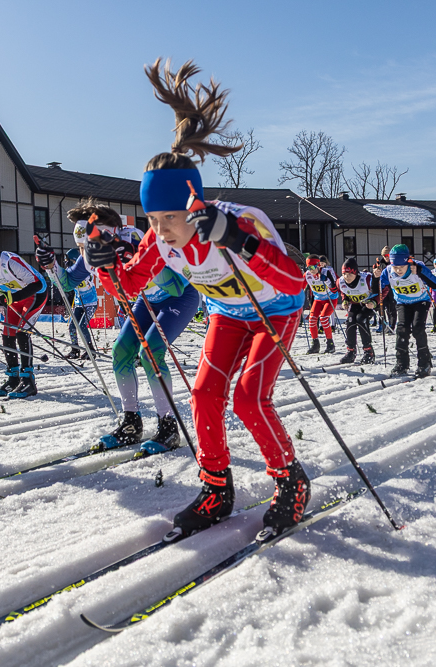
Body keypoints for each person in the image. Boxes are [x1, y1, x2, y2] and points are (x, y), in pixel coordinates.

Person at [86, 59, 310, 535]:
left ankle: (290, 480)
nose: (161, 229)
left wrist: (239, 242)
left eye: (169, 217)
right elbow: (128, 286)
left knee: (249, 398)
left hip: (274, 311)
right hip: (227, 314)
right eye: (152, 219)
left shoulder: (239, 221)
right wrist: (103, 264)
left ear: (194, 204)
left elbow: (294, 282)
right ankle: (215, 487)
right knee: (204, 393)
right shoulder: (159, 239)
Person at [38, 200, 198, 453]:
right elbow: (66, 283)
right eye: (80, 247)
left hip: (179, 297)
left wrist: (132, 259)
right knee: (120, 351)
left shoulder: (133, 239)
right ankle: (131, 423)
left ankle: (168, 427)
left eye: (87, 246)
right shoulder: (91, 254)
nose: (84, 254)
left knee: (150, 353)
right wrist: (51, 266)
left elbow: (175, 286)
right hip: (147, 302)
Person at [0, 235, 48, 399]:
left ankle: (28, 380)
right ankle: (13, 378)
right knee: (7, 334)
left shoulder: (10, 261)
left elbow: (37, 284)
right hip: (14, 299)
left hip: (34, 295)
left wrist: (12, 297)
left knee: (22, 332)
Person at [379, 244, 436, 377]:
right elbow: (379, 288)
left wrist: (420, 272)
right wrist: (375, 278)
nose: (398, 270)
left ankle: (424, 363)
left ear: (408, 261)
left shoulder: (417, 266)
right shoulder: (388, 271)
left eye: (401, 267)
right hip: (402, 302)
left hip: (421, 301)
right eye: (395, 267)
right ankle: (402, 363)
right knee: (402, 329)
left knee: (418, 328)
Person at [336, 257, 377, 363]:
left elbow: (380, 289)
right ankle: (351, 351)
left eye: (350, 274)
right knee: (350, 322)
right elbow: (344, 291)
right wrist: (345, 300)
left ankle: (368, 351)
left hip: (368, 304)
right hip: (355, 304)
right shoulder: (340, 281)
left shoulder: (367, 279)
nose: (347, 277)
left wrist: (374, 302)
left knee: (361, 319)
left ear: (356, 273)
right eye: (344, 274)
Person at [63, 247, 99, 360]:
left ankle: (91, 350)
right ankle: (75, 350)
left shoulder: (84, 271)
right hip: (79, 303)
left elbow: (82, 279)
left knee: (82, 325)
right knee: (72, 326)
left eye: (67, 260)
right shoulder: (71, 271)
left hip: (90, 303)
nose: (66, 263)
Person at [305, 256, 335, 353]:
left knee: (323, 318)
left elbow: (334, 288)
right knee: (312, 319)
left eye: (313, 267)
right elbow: (300, 287)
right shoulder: (307, 275)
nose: (311, 270)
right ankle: (315, 344)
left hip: (330, 298)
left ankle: (330, 344)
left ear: (318, 265)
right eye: (309, 267)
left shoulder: (326, 272)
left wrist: (326, 280)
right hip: (318, 299)